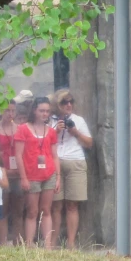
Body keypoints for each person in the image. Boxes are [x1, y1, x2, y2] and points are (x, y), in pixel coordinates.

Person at [50, 89, 93, 249]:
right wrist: (55, 131)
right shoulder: (50, 120)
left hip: (75, 161)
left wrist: (75, 132)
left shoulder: (78, 120)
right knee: (55, 205)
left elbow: (89, 143)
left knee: (72, 204)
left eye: (71, 101)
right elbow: (43, 142)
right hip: (55, 162)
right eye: (64, 102)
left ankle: (71, 242)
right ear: (57, 104)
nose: (69, 105)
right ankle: (52, 242)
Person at [15, 97, 60, 249]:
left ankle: (47, 245)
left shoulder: (52, 131)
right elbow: (18, 155)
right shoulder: (23, 129)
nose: (44, 114)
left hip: (49, 174)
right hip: (31, 174)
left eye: (47, 111)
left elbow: (54, 155)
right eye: (41, 110)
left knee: (46, 209)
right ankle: (29, 243)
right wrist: (23, 178)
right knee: (32, 210)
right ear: (34, 110)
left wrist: (58, 177)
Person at [0, 100, 22, 245]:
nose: (10, 114)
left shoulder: (19, 128)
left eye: (13, 110)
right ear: (1, 110)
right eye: (7, 110)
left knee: (18, 209)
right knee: (3, 209)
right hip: (3, 171)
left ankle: (19, 241)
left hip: (17, 173)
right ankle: (3, 242)